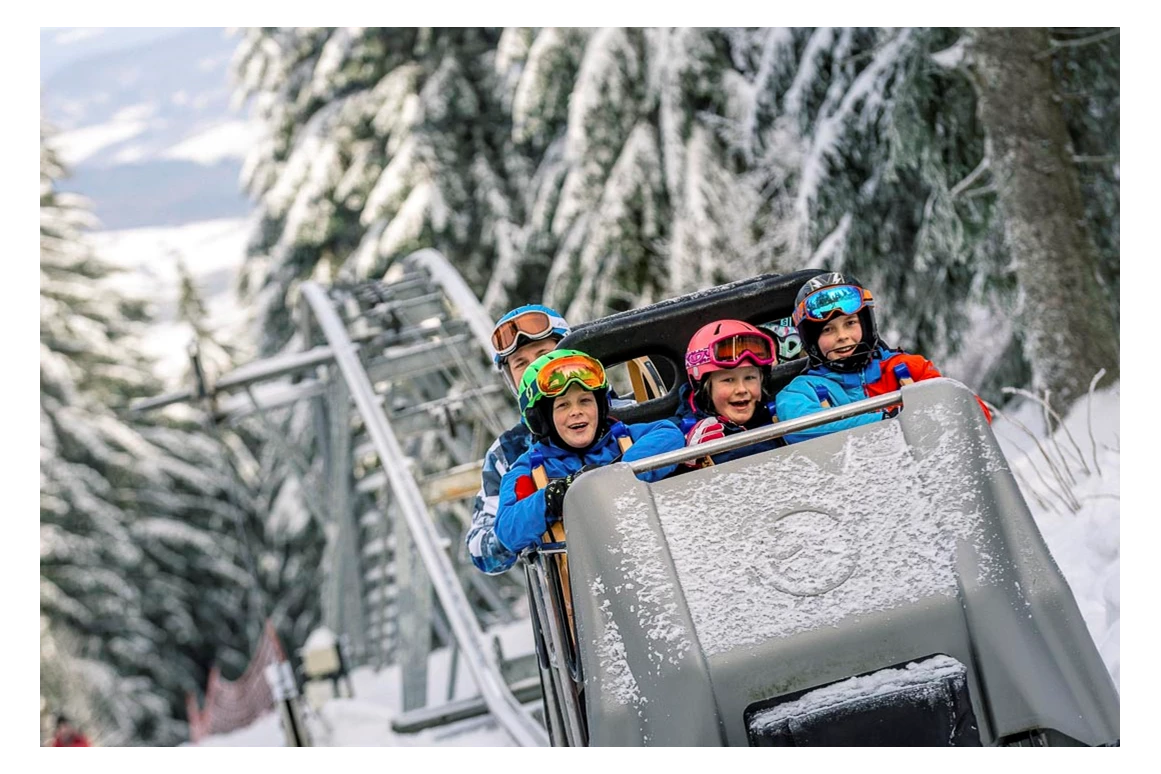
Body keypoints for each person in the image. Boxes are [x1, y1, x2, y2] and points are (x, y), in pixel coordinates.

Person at [465, 305, 634, 575]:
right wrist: (533, 513)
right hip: (576, 589)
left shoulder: (631, 414)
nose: (534, 366)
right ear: (511, 379)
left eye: (544, 353)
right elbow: (481, 551)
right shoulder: (508, 454)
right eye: (520, 363)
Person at [494, 349, 686, 557]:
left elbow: (669, 435)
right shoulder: (529, 470)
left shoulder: (622, 438)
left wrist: (616, 474)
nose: (576, 411)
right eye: (563, 405)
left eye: (585, 401)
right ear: (542, 419)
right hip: (583, 573)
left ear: (600, 406)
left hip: (649, 552)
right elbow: (507, 530)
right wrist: (552, 498)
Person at [775, 272, 992, 445]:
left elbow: (972, 414)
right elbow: (802, 428)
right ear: (812, 340)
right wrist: (889, 422)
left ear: (867, 325)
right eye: (828, 330)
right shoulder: (800, 391)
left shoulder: (908, 368)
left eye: (850, 323)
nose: (842, 336)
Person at [674, 319, 787, 467]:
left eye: (750, 378)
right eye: (728, 380)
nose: (741, 389)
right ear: (704, 387)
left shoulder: (781, 413)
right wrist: (683, 455)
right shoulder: (676, 431)